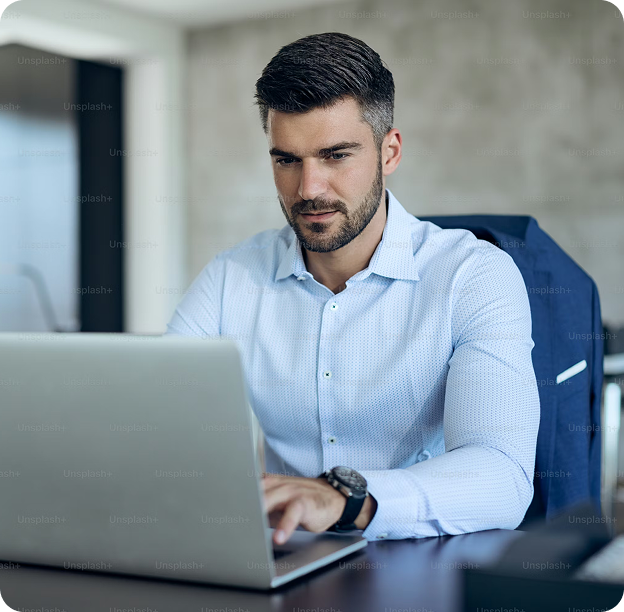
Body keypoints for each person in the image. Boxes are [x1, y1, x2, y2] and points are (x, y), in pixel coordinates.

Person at [165, 32, 540, 546]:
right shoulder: (231, 278)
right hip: (283, 556)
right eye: (287, 160)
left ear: (390, 152)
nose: (308, 189)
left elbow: (502, 477)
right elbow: (158, 427)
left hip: (422, 563)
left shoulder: (472, 276)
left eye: (335, 155)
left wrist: (346, 500)